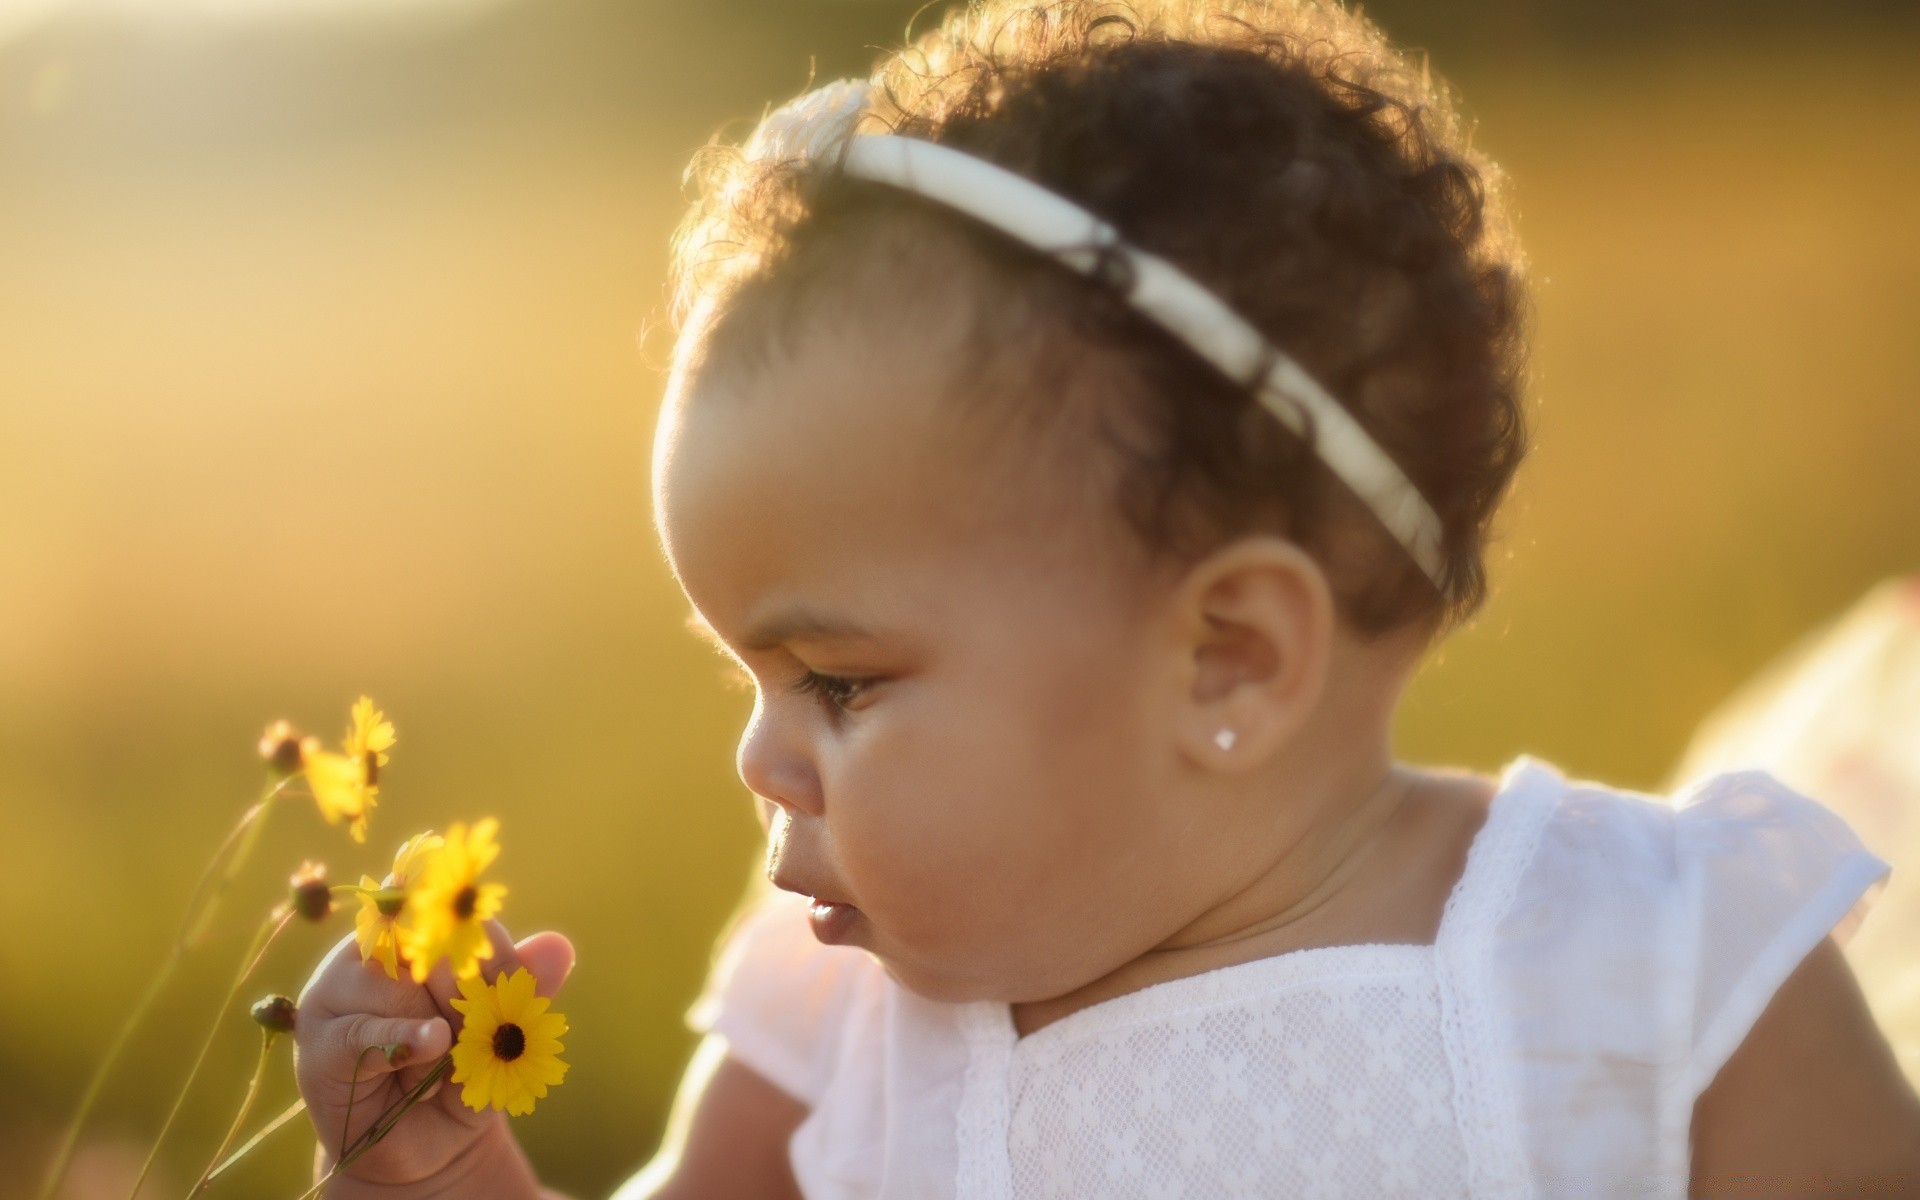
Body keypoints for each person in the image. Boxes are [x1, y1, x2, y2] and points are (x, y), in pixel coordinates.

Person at [292, 1, 1920, 1195]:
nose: (762, 763)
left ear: (1230, 659)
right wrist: (439, 1175)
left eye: (840, 685)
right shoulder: (834, 1027)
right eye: (753, 681)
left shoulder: (1654, 973)